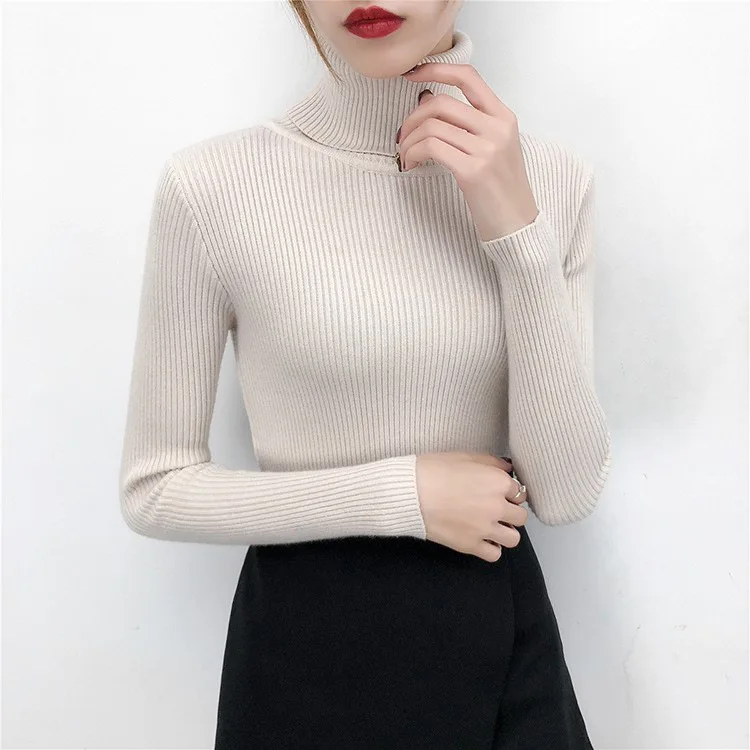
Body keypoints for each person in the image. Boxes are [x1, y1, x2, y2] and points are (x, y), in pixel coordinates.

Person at [118, 0, 612, 746]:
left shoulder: (555, 181)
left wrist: (519, 234)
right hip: (305, 654)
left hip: (501, 654)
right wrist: (400, 496)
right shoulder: (212, 187)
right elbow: (154, 489)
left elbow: (567, 493)